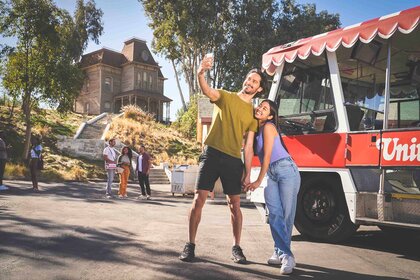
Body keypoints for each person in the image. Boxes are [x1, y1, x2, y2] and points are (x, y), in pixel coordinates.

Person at [179, 54, 266, 264]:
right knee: (198, 199)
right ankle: (190, 245)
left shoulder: (253, 115)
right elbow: (207, 90)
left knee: (234, 204)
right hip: (211, 153)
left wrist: (247, 171)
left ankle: (237, 247)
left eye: (255, 81)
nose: (250, 82)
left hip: (232, 159)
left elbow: (248, 148)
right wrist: (201, 73)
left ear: (259, 89)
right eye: (249, 79)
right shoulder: (226, 96)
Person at [245, 100, 301, 275]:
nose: (260, 108)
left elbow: (267, 156)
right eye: (260, 105)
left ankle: (285, 255)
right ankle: (281, 251)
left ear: (270, 115)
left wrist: (257, 181)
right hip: (271, 174)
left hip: (286, 170)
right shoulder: (255, 130)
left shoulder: (269, 126)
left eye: (265, 108)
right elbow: (247, 150)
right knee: (275, 214)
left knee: (286, 214)